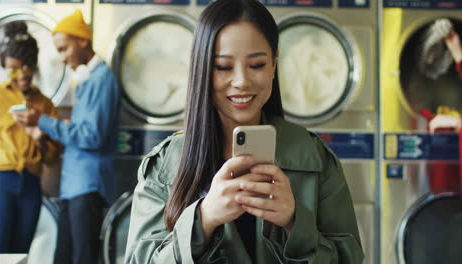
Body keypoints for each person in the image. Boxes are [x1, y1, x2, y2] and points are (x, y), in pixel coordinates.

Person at [124, 0, 364, 263]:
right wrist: (203, 220)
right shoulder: (165, 165)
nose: (241, 81)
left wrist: (295, 223)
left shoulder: (314, 157)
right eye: (224, 67)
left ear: (274, 64)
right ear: (202, 69)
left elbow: (349, 258)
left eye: (257, 65)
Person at [11, 10, 121, 264]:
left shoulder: (101, 79)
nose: (62, 58)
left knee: (81, 256)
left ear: (83, 41)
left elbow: (92, 137)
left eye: (64, 49)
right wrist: (58, 125)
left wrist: (43, 120)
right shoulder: (88, 80)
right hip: (74, 184)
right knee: (64, 256)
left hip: (88, 184)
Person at [0, 21, 62, 253]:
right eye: (13, 69)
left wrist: (40, 137)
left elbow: (53, 159)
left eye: (27, 67)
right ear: (4, 66)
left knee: (22, 252)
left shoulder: (44, 104)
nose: (22, 75)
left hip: (31, 184)